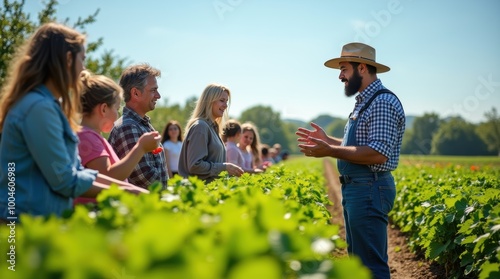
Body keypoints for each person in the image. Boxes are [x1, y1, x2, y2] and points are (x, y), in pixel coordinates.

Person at [0, 23, 148, 220]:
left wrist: (127, 188)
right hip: (23, 225)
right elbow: (66, 180)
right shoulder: (39, 108)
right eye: (83, 59)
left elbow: (77, 171)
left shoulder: (46, 105)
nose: (84, 68)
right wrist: (130, 193)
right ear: (68, 59)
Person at [296, 42, 405, 279]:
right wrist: (330, 141)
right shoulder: (365, 101)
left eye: (344, 68)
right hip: (359, 188)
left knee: (371, 266)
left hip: (369, 187)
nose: (340, 76)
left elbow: (377, 153)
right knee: (358, 262)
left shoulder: (382, 102)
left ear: (362, 68)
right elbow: (357, 145)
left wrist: (330, 151)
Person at [76, 71, 161, 204]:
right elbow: (108, 177)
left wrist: (131, 189)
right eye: (116, 109)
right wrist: (141, 148)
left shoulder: (93, 137)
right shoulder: (87, 137)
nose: (117, 116)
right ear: (104, 109)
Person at [108, 63, 168, 189]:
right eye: (153, 90)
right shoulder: (128, 127)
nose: (158, 96)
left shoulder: (139, 124)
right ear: (135, 93)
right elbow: (144, 178)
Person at [178, 83, 243, 182]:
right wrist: (224, 167)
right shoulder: (200, 127)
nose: (225, 105)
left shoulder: (213, 128)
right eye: (222, 100)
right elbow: (195, 166)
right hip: (199, 193)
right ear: (209, 101)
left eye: (226, 101)